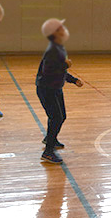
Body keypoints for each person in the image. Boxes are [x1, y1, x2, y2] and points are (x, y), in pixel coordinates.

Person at [36, 18, 84, 164]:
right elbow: (48, 71)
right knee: (56, 117)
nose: (64, 30)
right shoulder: (52, 50)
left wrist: (73, 80)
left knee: (61, 116)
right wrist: (65, 65)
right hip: (47, 89)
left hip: (56, 88)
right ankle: (48, 152)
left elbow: (60, 70)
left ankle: (50, 138)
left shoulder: (59, 48)